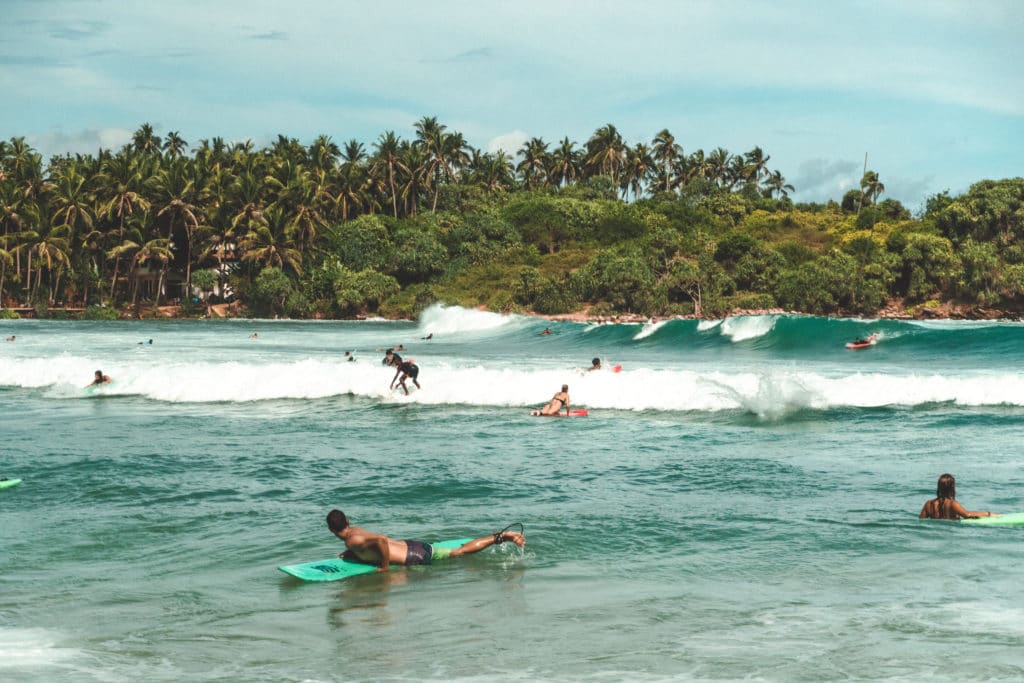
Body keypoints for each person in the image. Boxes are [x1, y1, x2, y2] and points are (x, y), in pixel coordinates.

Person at [326, 509, 524, 570]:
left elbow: (380, 540)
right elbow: (367, 543)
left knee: (459, 552)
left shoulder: (352, 540)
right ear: (348, 521)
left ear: (330, 529)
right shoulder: (355, 532)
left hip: (414, 556)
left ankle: (502, 537)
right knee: (456, 550)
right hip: (412, 546)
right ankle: (498, 537)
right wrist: (350, 553)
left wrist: (385, 567)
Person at [919, 473, 997, 520]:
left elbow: (921, 520)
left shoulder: (928, 504)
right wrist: (988, 514)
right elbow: (967, 515)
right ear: (952, 488)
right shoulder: (952, 503)